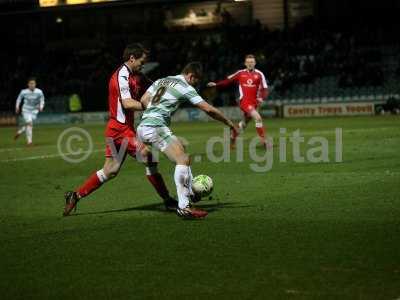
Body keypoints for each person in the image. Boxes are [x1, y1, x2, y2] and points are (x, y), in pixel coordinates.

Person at [63, 43, 177, 217]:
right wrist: (150, 107)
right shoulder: (121, 75)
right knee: (148, 156)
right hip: (120, 129)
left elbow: (154, 86)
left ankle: (75, 195)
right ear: (132, 58)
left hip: (117, 129)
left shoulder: (135, 75)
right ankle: (168, 201)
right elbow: (127, 103)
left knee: (111, 170)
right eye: (141, 61)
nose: (143, 65)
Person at [137, 62, 238, 219]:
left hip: (144, 125)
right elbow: (208, 109)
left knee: (183, 154)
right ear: (191, 76)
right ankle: (184, 207)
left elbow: (144, 99)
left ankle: (190, 193)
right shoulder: (185, 87)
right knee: (182, 160)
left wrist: (153, 111)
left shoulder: (162, 80)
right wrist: (229, 122)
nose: (196, 85)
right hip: (155, 126)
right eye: (196, 81)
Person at [207, 54, 270, 148]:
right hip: (244, 101)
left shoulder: (259, 74)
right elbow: (227, 81)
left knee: (244, 124)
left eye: (252, 62)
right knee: (258, 118)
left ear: (255, 63)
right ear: (245, 63)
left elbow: (265, 89)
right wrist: (216, 84)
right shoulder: (240, 73)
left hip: (254, 103)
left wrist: (261, 98)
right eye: (248, 62)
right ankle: (264, 141)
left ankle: (232, 138)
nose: (250, 64)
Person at [14, 77, 45, 145]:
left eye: (33, 83)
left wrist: (41, 106)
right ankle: (29, 142)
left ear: (35, 84)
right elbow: (19, 99)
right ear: (28, 84)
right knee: (30, 124)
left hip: (34, 111)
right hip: (26, 110)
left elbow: (42, 100)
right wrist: (17, 107)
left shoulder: (39, 92)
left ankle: (20, 131)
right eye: (30, 83)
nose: (32, 85)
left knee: (29, 124)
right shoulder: (24, 92)